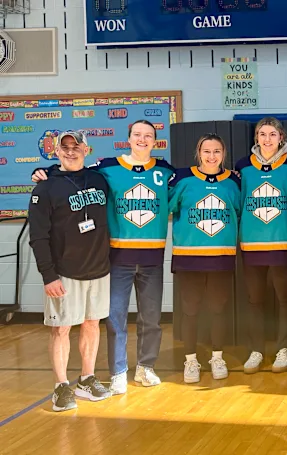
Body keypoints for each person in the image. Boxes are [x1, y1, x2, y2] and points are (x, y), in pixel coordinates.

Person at [32, 120, 175, 394]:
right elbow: (67, 173)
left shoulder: (160, 171)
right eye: (137, 135)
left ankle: (134, 369)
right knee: (103, 320)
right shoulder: (106, 169)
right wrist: (46, 171)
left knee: (137, 319)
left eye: (148, 136)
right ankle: (110, 373)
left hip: (129, 262)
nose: (142, 140)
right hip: (102, 262)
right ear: (128, 139)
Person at [28, 131, 113, 411]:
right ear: (56, 151)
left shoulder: (99, 179)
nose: (70, 151)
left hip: (99, 268)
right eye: (64, 147)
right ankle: (61, 386)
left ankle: (86, 379)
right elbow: (38, 236)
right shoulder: (45, 188)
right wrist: (48, 275)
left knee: (92, 323)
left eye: (76, 146)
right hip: (64, 272)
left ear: (86, 149)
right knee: (61, 328)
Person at [168, 134, 241, 384]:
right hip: (189, 257)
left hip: (221, 255)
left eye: (217, 151)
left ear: (224, 154)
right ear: (198, 153)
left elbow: (240, 211)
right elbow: (168, 207)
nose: (212, 156)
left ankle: (217, 357)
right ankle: (191, 360)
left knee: (218, 308)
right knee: (190, 310)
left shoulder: (233, 181)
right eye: (207, 151)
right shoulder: (182, 179)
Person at [235, 117, 287, 374]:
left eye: (272, 134)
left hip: (284, 242)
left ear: (281, 137)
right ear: (256, 138)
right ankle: (256, 349)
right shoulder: (243, 167)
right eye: (262, 134)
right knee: (255, 300)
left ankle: (284, 347)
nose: (267, 139)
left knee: (285, 299)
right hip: (252, 244)